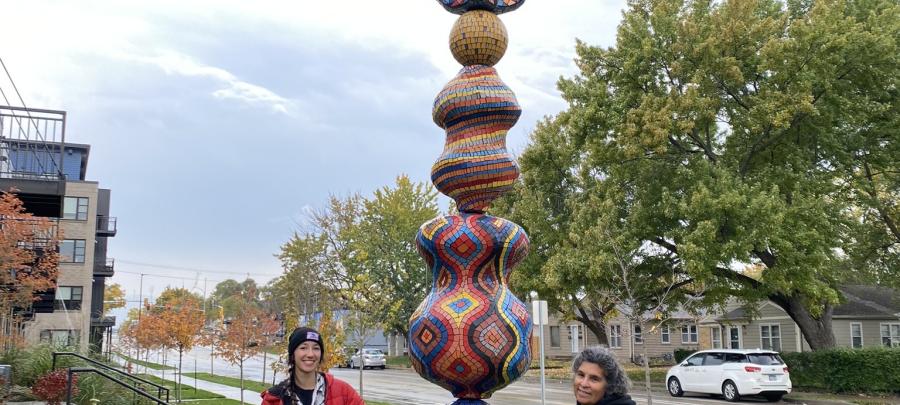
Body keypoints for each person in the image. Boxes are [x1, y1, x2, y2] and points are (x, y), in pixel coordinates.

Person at [261, 327, 364, 405]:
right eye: (303, 348)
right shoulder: (274, 399)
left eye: (316, 348)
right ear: (292, 355)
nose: (310, 354)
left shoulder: (344, 392)